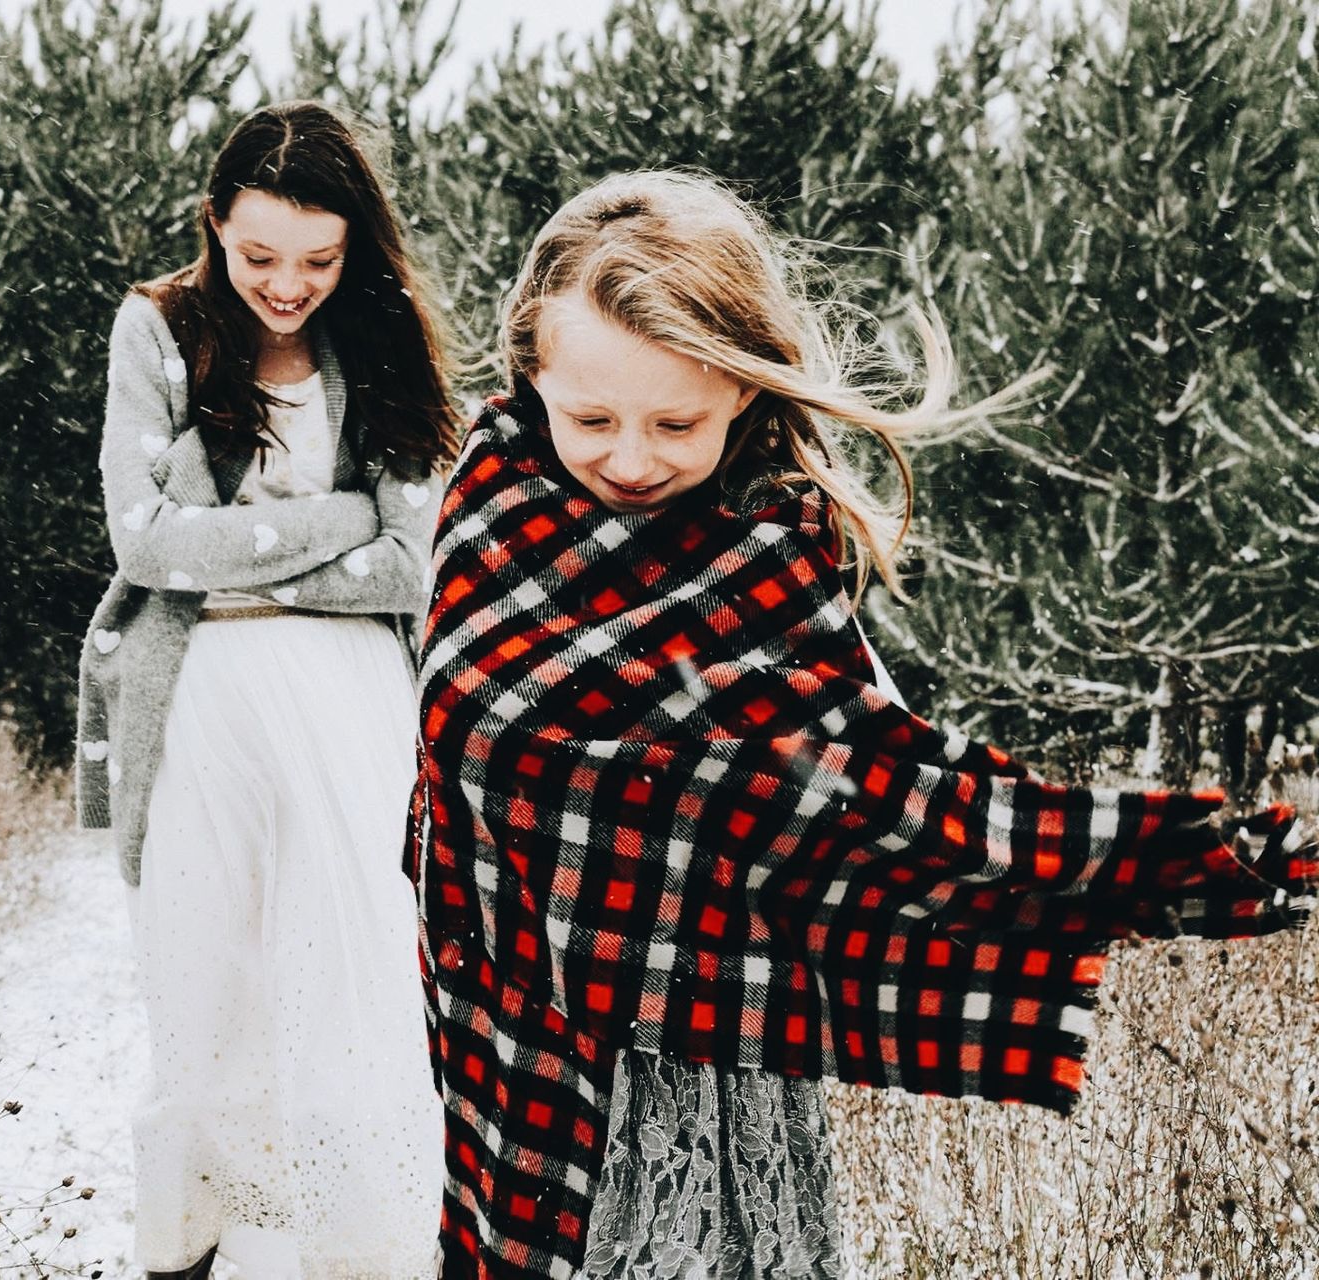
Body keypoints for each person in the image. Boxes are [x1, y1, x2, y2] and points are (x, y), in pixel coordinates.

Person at [407, 170, 1316, 1279]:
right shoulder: (492, 519)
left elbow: (878, 789)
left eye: (676, 420)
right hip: (519, 1040)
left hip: (706, 1060)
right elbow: (469, 748)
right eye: (590, 417)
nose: (632, 458)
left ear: (746, 393)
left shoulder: (776, 560)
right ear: (529, 372)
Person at [74, 101, 458, 1280]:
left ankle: (374, 1253)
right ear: (213, 227)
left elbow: (410, 562)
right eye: (259, 257)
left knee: (358, 985)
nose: (288, 286)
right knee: (202, 990)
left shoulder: (382, 345)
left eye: (319, 260)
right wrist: (335, 521)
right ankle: (185, 1249)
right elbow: (144, 546)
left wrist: (236, 532)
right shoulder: (157, 328)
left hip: (352, 706)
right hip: (193, 699)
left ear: (357, 249)